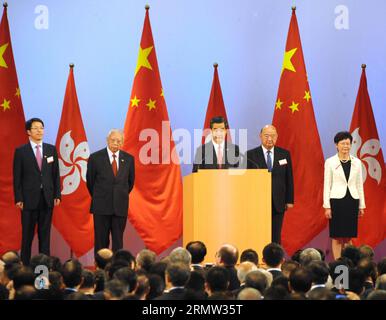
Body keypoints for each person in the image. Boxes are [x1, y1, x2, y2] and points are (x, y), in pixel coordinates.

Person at [13, 118, 61, 265]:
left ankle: (43, 270)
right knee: (27, 237)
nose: (39, 130)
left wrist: (57, 194)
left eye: (41, 127)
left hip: (47, 198)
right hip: (28, 200)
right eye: (35, 128)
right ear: (28, 132)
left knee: (44, 237)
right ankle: (25, 268)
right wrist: (18, 198)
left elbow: (55, 175)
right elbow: (17, 177)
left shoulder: (50, 149)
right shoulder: (21, 151)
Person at [86, 129, 135, 255]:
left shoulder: (129, 159)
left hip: (120, 206)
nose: (115, 143)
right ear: (107, 140)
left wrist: (118, 195)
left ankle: (117, 269)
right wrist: (101, 196)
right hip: (101, 206)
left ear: (122, 143)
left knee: (118, 242)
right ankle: (100, 269)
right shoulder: (95, 158)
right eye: (113, 140)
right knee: (101, 242)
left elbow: (130, 183)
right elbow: (90, 182)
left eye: (119, 141)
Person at [245, 125, 294, 244]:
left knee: (276, 235)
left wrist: (289, 200)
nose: (270, 139)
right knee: (258, 233)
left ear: (277, 137)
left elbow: (289, 178)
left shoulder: (284, 154)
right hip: (258, 201)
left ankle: (275, 260)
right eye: (266, 135)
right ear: (260, 136)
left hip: (278, 201)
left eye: (273, 136)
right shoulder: (250, 155)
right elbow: (246, 180)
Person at [323, 131, 365, 259]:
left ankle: (348, 262)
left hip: (352, 201)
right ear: (336, 145)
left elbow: (359, 185)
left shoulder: (357, 162)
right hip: (336, 202)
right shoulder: (330, 162)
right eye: (343, 143)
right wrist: (327, 206)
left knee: (349, 236)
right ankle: (337, 263)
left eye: (348, 143)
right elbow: (327, 184)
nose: (346, 146)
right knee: (337, 236)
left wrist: (361, 205)